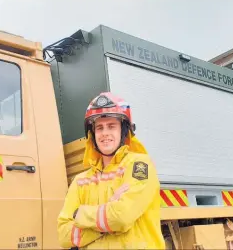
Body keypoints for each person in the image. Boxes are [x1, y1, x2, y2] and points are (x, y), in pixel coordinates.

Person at [57, 92, 165, 249]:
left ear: (124, 130)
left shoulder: (140, 165)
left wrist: (80, 214)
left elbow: (122, 216)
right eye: (99, 128)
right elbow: (64, 236)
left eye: (111, 126)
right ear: (92, 134)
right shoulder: (80, 181)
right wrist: (108, 223)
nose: (105, 133)